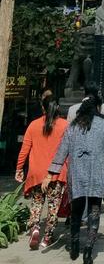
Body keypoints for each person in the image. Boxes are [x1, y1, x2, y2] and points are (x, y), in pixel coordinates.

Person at [44, 94, 104, 264]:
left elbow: (62, 150)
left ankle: (75, 245)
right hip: (97, 172)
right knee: (94, 210)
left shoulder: (73, 126)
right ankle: (88, 250)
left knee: (76, 211)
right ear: (97, 108)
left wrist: (51, 173)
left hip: (76, 173)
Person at [15, 96, 68, 250]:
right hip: (56, 174)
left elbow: (24, 149)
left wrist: (19, 168)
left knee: (37, 202)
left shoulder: (33, 125)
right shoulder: (65, 125)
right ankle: (47, 237)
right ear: (57, 108)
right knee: (53, 206)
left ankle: (35, 227)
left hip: (37, 172)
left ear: (43, 108)